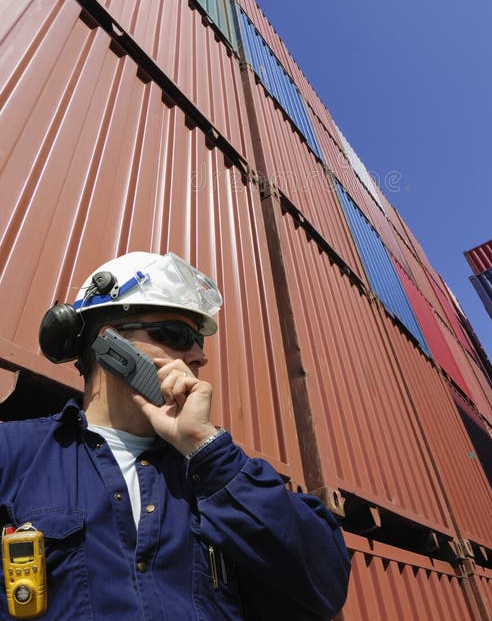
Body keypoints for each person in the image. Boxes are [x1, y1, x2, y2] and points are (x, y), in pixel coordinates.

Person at [0, 251, 350, 620]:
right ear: (110, 344)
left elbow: (326, 583)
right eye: (177, 334)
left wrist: (206, 450)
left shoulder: (220, 477)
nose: (199, 355)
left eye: (199, 339)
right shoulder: (13, 455)